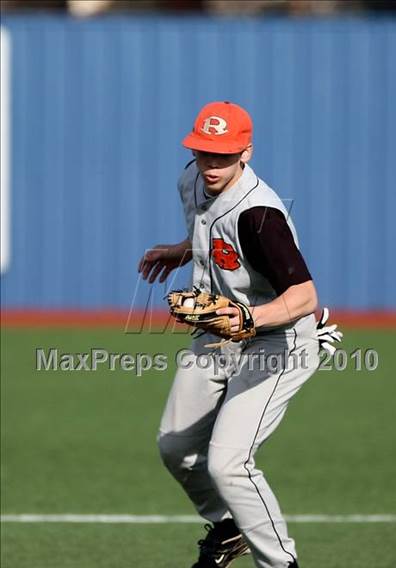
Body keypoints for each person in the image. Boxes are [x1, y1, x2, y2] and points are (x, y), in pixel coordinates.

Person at [139, 101, 320, 568]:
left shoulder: (260, 216)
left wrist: (249, 320)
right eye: (205, 152)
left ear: (246, 152)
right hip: (219, 335)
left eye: (224, 155)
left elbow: (304, 297)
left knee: (228, 462)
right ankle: (229, 527)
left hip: (277, 341)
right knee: (176, 448)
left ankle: (280, 563)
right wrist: (184, 251)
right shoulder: (191, 178)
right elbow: (211, 236)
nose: (212, 164)